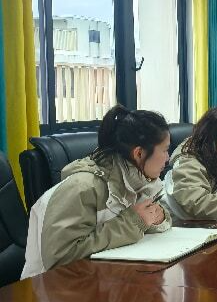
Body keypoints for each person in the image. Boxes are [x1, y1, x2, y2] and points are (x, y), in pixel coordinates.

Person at [22, 106, 172, 279]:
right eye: (165, 150)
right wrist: (134, 222)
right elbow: (61, 259)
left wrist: (158, 217)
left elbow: (142, 224)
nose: (168, 158)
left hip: (107, 280)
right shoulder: (82, 188)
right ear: (139, 153)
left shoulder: (138, 181)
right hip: (54, 288)